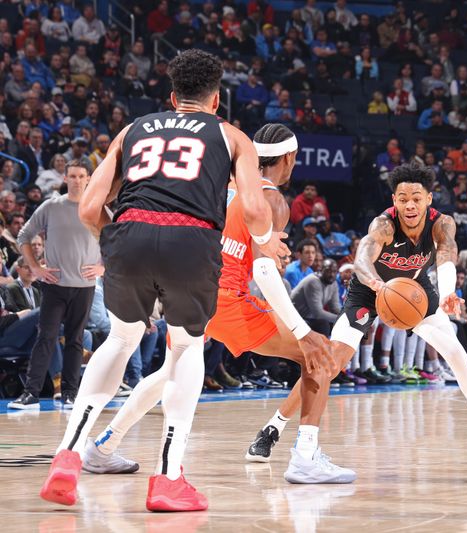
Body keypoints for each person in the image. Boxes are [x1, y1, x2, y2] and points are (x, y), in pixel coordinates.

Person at [40, 50, 286, 512]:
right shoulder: (233, 136)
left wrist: (115, 241)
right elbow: (254, 211)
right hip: (191, 241)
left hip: (129, 231)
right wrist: (267, 242)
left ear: (173, 98)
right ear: (216, 101)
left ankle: (67, 454)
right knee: (186, 348)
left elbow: (90, 209)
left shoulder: (132, 130)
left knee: (121, 339)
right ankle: (169, 477)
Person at [91, 123, 347, 484]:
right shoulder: (271, 199)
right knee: (321, 357)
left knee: (168, 373)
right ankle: (305, 455)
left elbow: (233, 246)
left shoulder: (224, 185)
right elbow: (264, 272)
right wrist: (303, 331)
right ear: (289, 158)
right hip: (227, 301)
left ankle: (102, 445)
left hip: (187, 290)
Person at [248, 164, 467, 467]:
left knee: (455, 352)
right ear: (394, 200)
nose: (409, 204)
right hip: (368, 290)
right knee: (328, 363)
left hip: (413, 290)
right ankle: (273, 428)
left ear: (428, 198)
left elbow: (446, 255)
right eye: (402, 199)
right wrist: (376, 283)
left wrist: (449, 293)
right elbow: (361, 259)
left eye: (416, 198)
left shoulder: (442, 224)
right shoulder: (384, 225)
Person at [9, 160, 102, 411]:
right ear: (65, 178)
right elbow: (23, 236)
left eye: (81, 176)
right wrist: (36, 268)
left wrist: (103, 267)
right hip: (55, 284)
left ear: (89, 179)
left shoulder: (96, 208)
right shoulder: (51, 206)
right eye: (71, 176)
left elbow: (117, 241)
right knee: (45, 338)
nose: (76, 180)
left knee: (75, 341)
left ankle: (70, 393)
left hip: (84, 286)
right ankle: (31, 394)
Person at [291, 258, 341, 335]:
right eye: (328, 271)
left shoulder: (333, 283)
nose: (332, 274)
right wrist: (339, 319)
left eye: (334, 272)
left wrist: (346, 317)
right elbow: (318, 313)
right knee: (323, 325)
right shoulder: (313, 281)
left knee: (330, 325)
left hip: (310, 318)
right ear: (320, 270)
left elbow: (335, 307)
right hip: (296, 317)